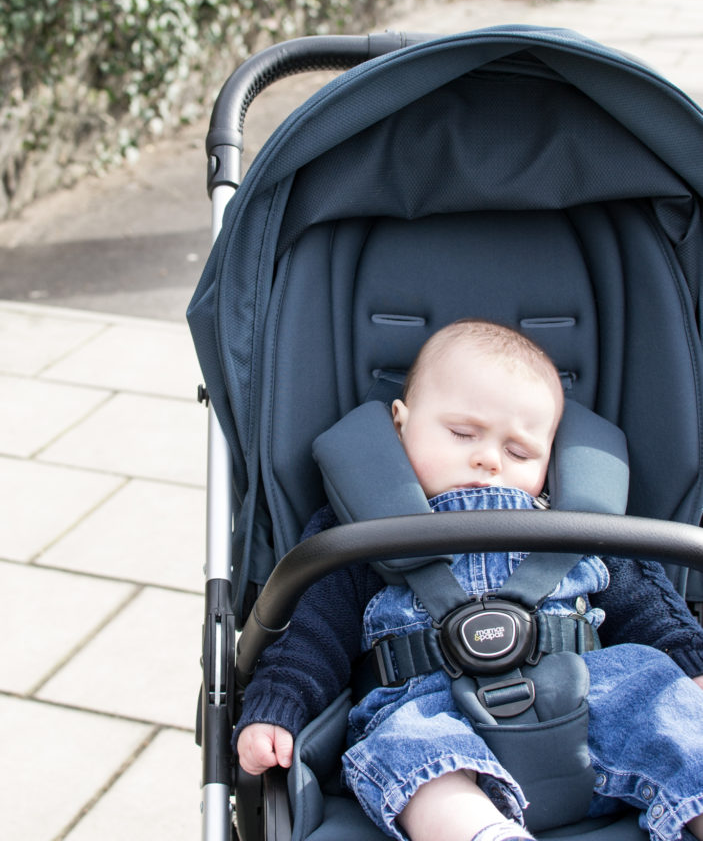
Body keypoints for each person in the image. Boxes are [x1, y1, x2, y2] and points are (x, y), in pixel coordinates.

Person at [236, 320, 703, 841]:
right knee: (403, 749)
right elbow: (311, 634)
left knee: (666, 706)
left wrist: (693, 672)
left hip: (593, 697)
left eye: (520, 453)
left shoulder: (576, 521)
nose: (488, 459)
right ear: (399, 424)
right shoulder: (359, 525)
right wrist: (276, 707)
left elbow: (652, 614)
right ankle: (482, 833)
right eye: (462, 434)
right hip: (433, 708)